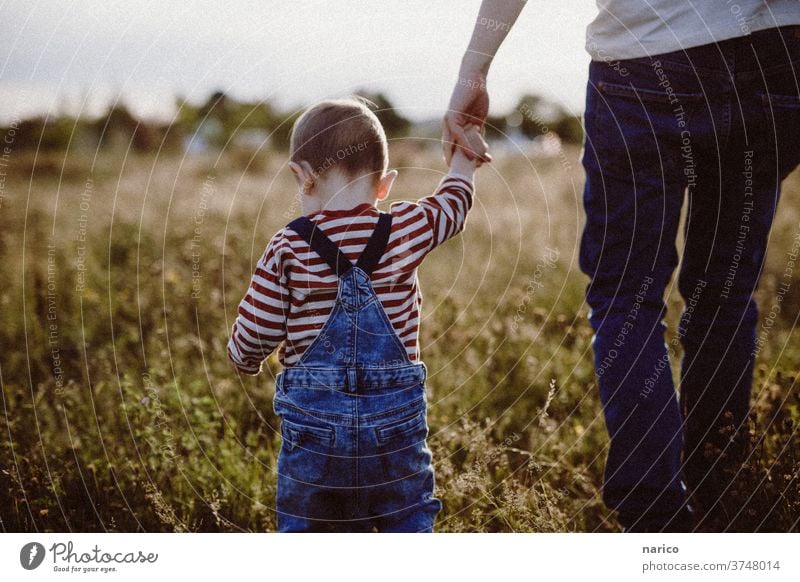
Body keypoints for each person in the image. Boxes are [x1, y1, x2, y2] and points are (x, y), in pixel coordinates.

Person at [444, 1, 800, 531]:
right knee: (723, 295)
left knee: (627, 295)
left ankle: (655, 511)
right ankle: (719, 497)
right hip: (774, 56)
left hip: (645, 59)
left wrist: (474, 68)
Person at [227, 97, 489, 532]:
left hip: (315, 431)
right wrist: (464, 159)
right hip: (394, 426)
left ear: (301, 176)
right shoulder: (405, 229)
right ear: (384, 185)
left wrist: (244, 360)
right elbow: (453, 205)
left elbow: (257, 330)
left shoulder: (288, 247)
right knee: (404, 522)